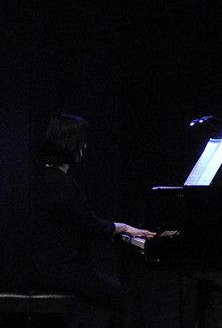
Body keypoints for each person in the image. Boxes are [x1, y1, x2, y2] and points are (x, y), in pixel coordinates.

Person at [30, 112, 156, 327]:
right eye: (81, 141)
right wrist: (125, 228)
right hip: (61, 271)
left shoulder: (43, 177)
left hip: (44, 267)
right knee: (125, 298)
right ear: (69, 143)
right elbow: (92, 226)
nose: (85, 147)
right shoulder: (62, 184)